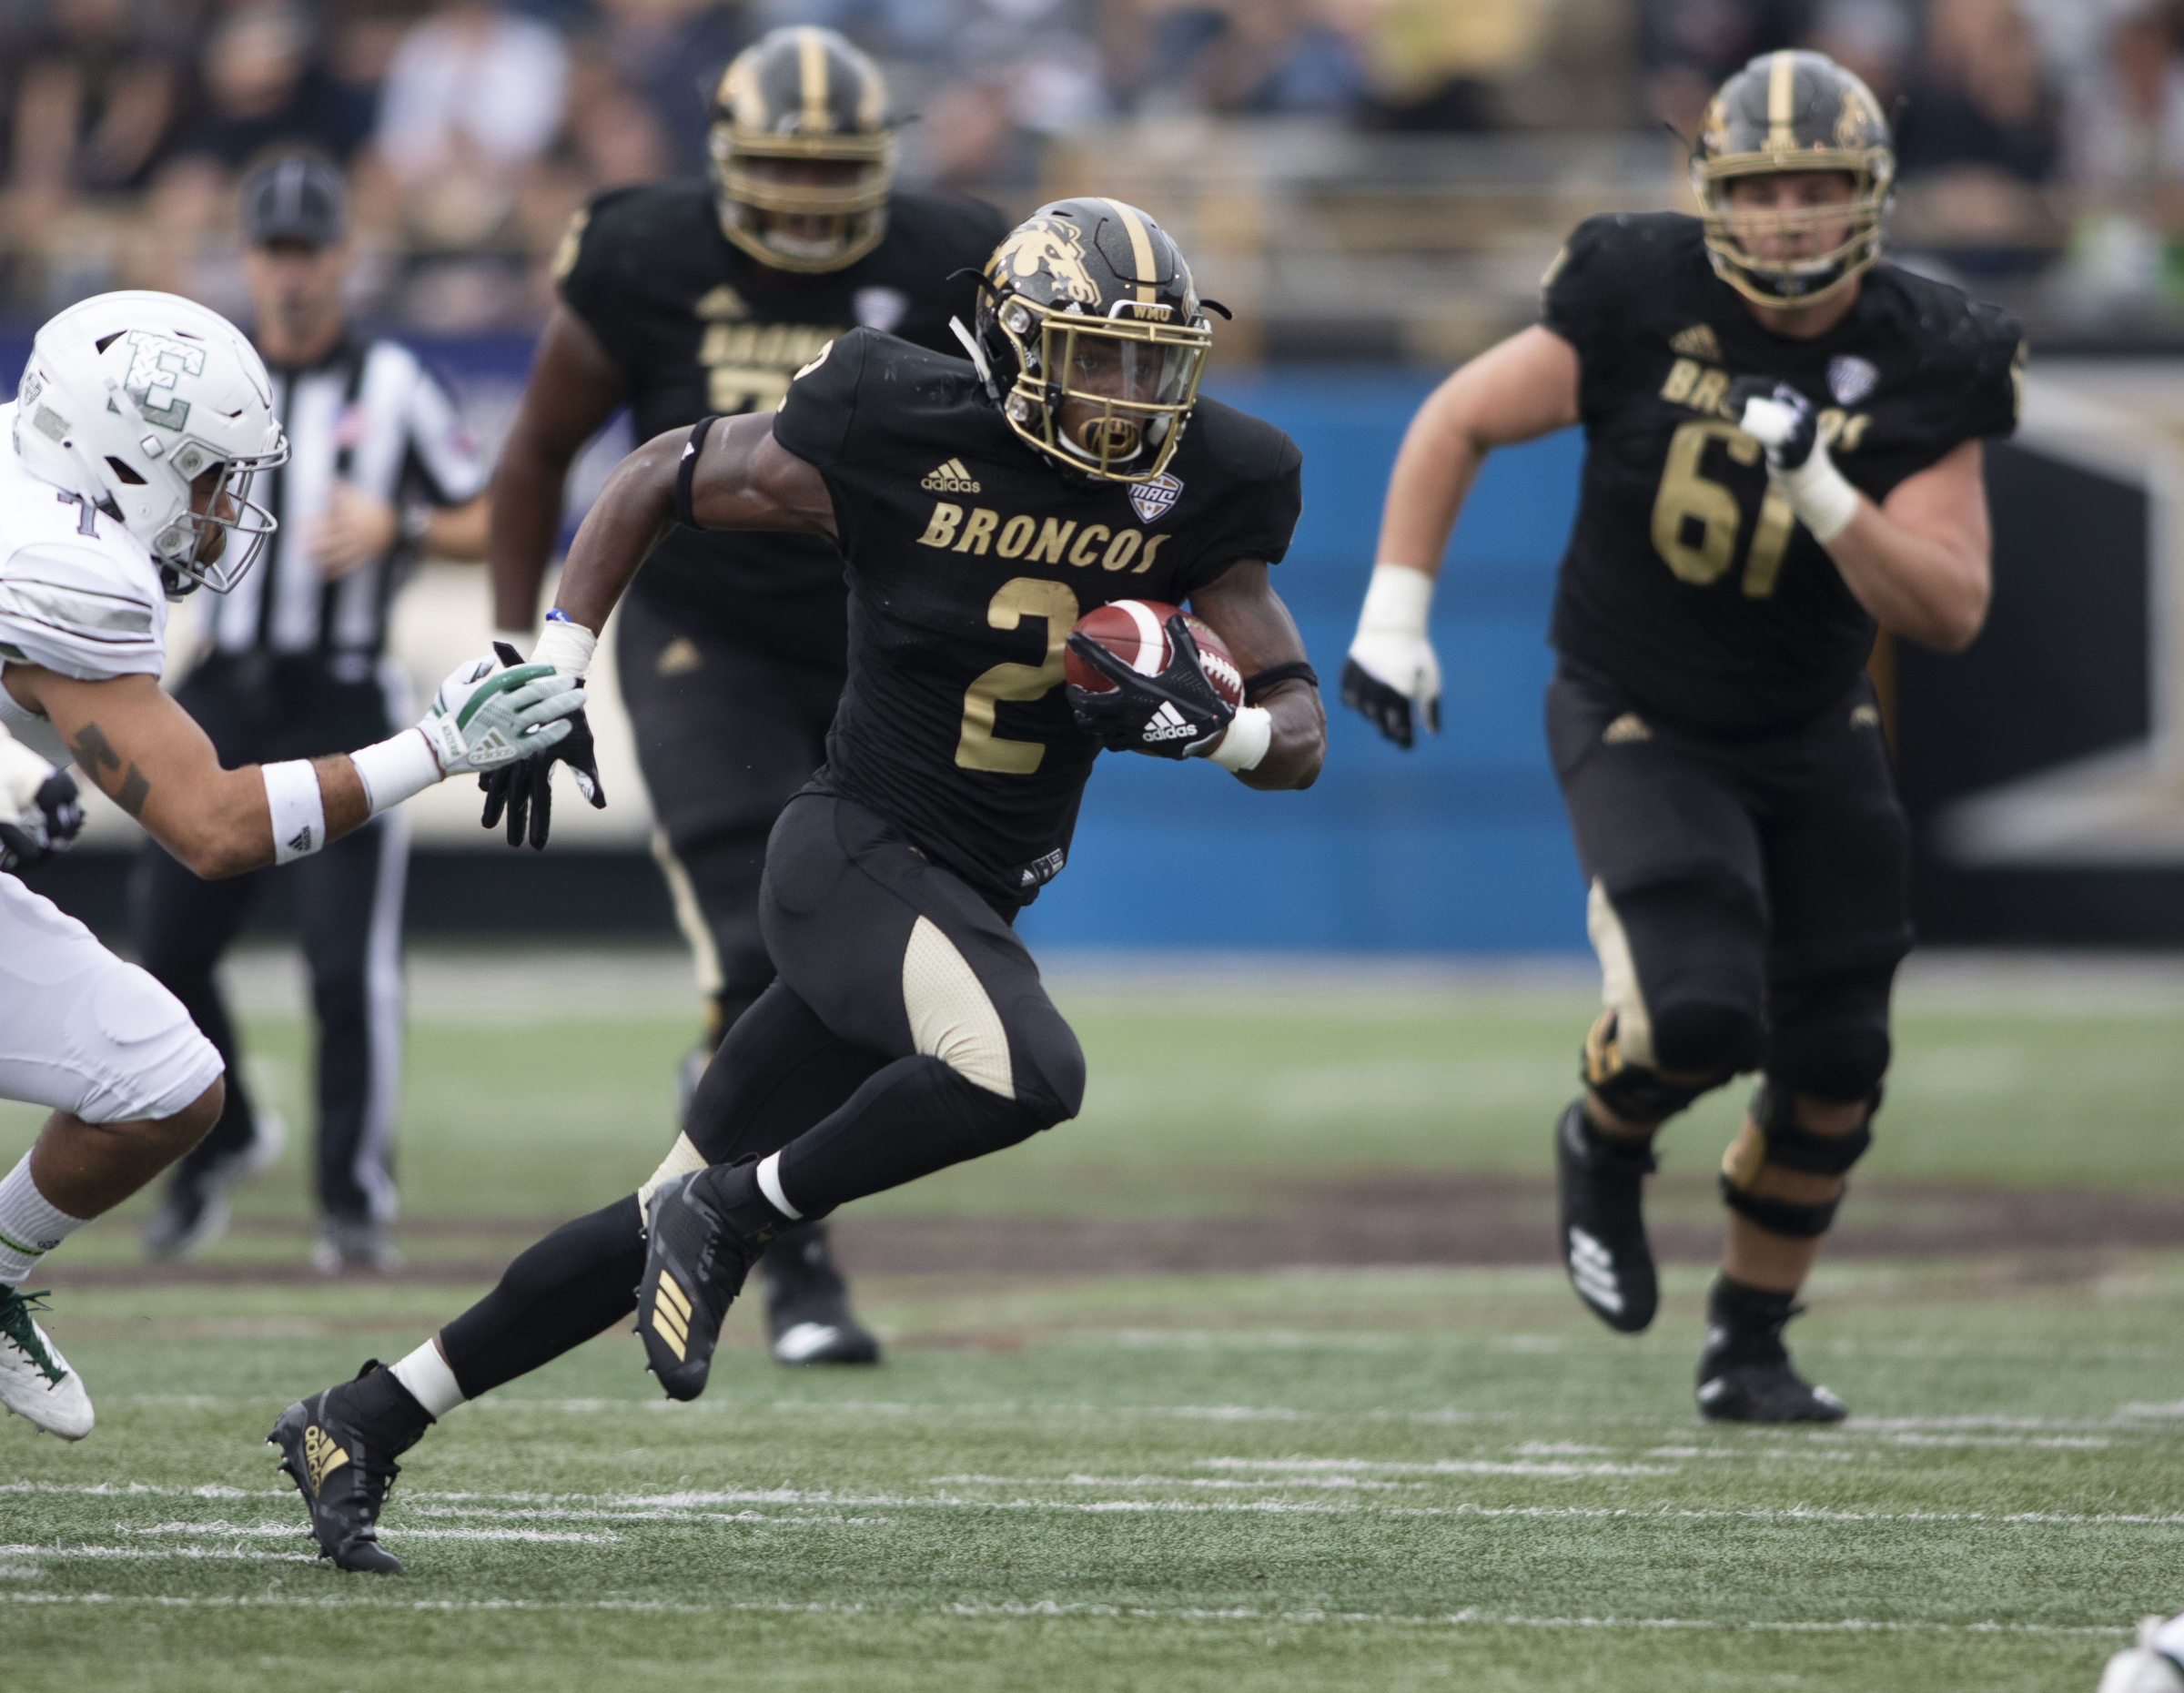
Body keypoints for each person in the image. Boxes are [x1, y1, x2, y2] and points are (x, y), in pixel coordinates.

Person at [268, 197, 1325, 1575]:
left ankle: (362, 1417)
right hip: (853, 857)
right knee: (1028, 1071)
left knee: (652, 1213)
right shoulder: (895, 420)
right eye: (1090, 356)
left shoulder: (1209, 485)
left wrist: (1222, 725)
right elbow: (659, 469)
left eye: (1149, 363)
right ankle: (748, 1216)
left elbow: (1297, 733)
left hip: (962, 890)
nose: (1125, 398)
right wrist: (560, 662)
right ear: (1009, 347)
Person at [1342, 50, 2021, 1422]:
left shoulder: (1926, 350)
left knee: (1837, 1061)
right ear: (1714, 194)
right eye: (1763, 190)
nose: (1787, 220)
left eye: (1816, 189)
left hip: (1815, 719)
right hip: (1639, 705)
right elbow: (1460, 416)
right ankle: (1601, 1136)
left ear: (1868, 197)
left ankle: (1751, 1344)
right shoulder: (1640, 291)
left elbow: (1948, 609)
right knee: (1700, 1011)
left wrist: (1826, 493)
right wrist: (1394, 615)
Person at [490, 25, 1009, 1365]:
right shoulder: (645, 254)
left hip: (879, 634)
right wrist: (520, 650)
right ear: (725, 158)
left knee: (839, 943)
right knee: (763, 939)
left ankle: (744, 1179)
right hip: (700, 626)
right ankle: (793, 1259)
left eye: (838, 168)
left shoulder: (951, 248)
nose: (813, 197)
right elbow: (542, 453)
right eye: (785, 165)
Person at [0, 288, 582, 1441]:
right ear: (127, 460)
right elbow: (212, 828)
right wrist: (436, 749)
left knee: (164, 1081)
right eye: (212, 476)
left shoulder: (34, 495)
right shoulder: (71, 572)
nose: (226, 513)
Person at [134, 155, 494, 1274]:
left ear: (344, 257)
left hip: (343, 691)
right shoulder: (206, 377)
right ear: (246, 259)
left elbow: (485, 512)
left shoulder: (394, 385)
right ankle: (221, 1139)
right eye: (272, 251)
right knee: (162, 954)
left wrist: (402, 531)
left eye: (310, 251)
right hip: (225, 686)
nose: (290, 274)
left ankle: (349, 1201)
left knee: (346, 969)